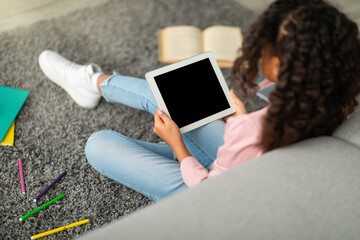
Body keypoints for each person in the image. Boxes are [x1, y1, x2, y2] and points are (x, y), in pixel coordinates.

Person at [39, 0, 360, 202]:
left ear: (277, 65)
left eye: (264, 46)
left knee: (98, 143)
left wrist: (178, 147)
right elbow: (255, 148)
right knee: (170, 97)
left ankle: (97, 86)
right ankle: (94, 83)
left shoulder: (250, 131)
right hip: (242, 162)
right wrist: (240, 120)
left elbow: (210, 189)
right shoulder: (333, 101)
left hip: (210, 189)